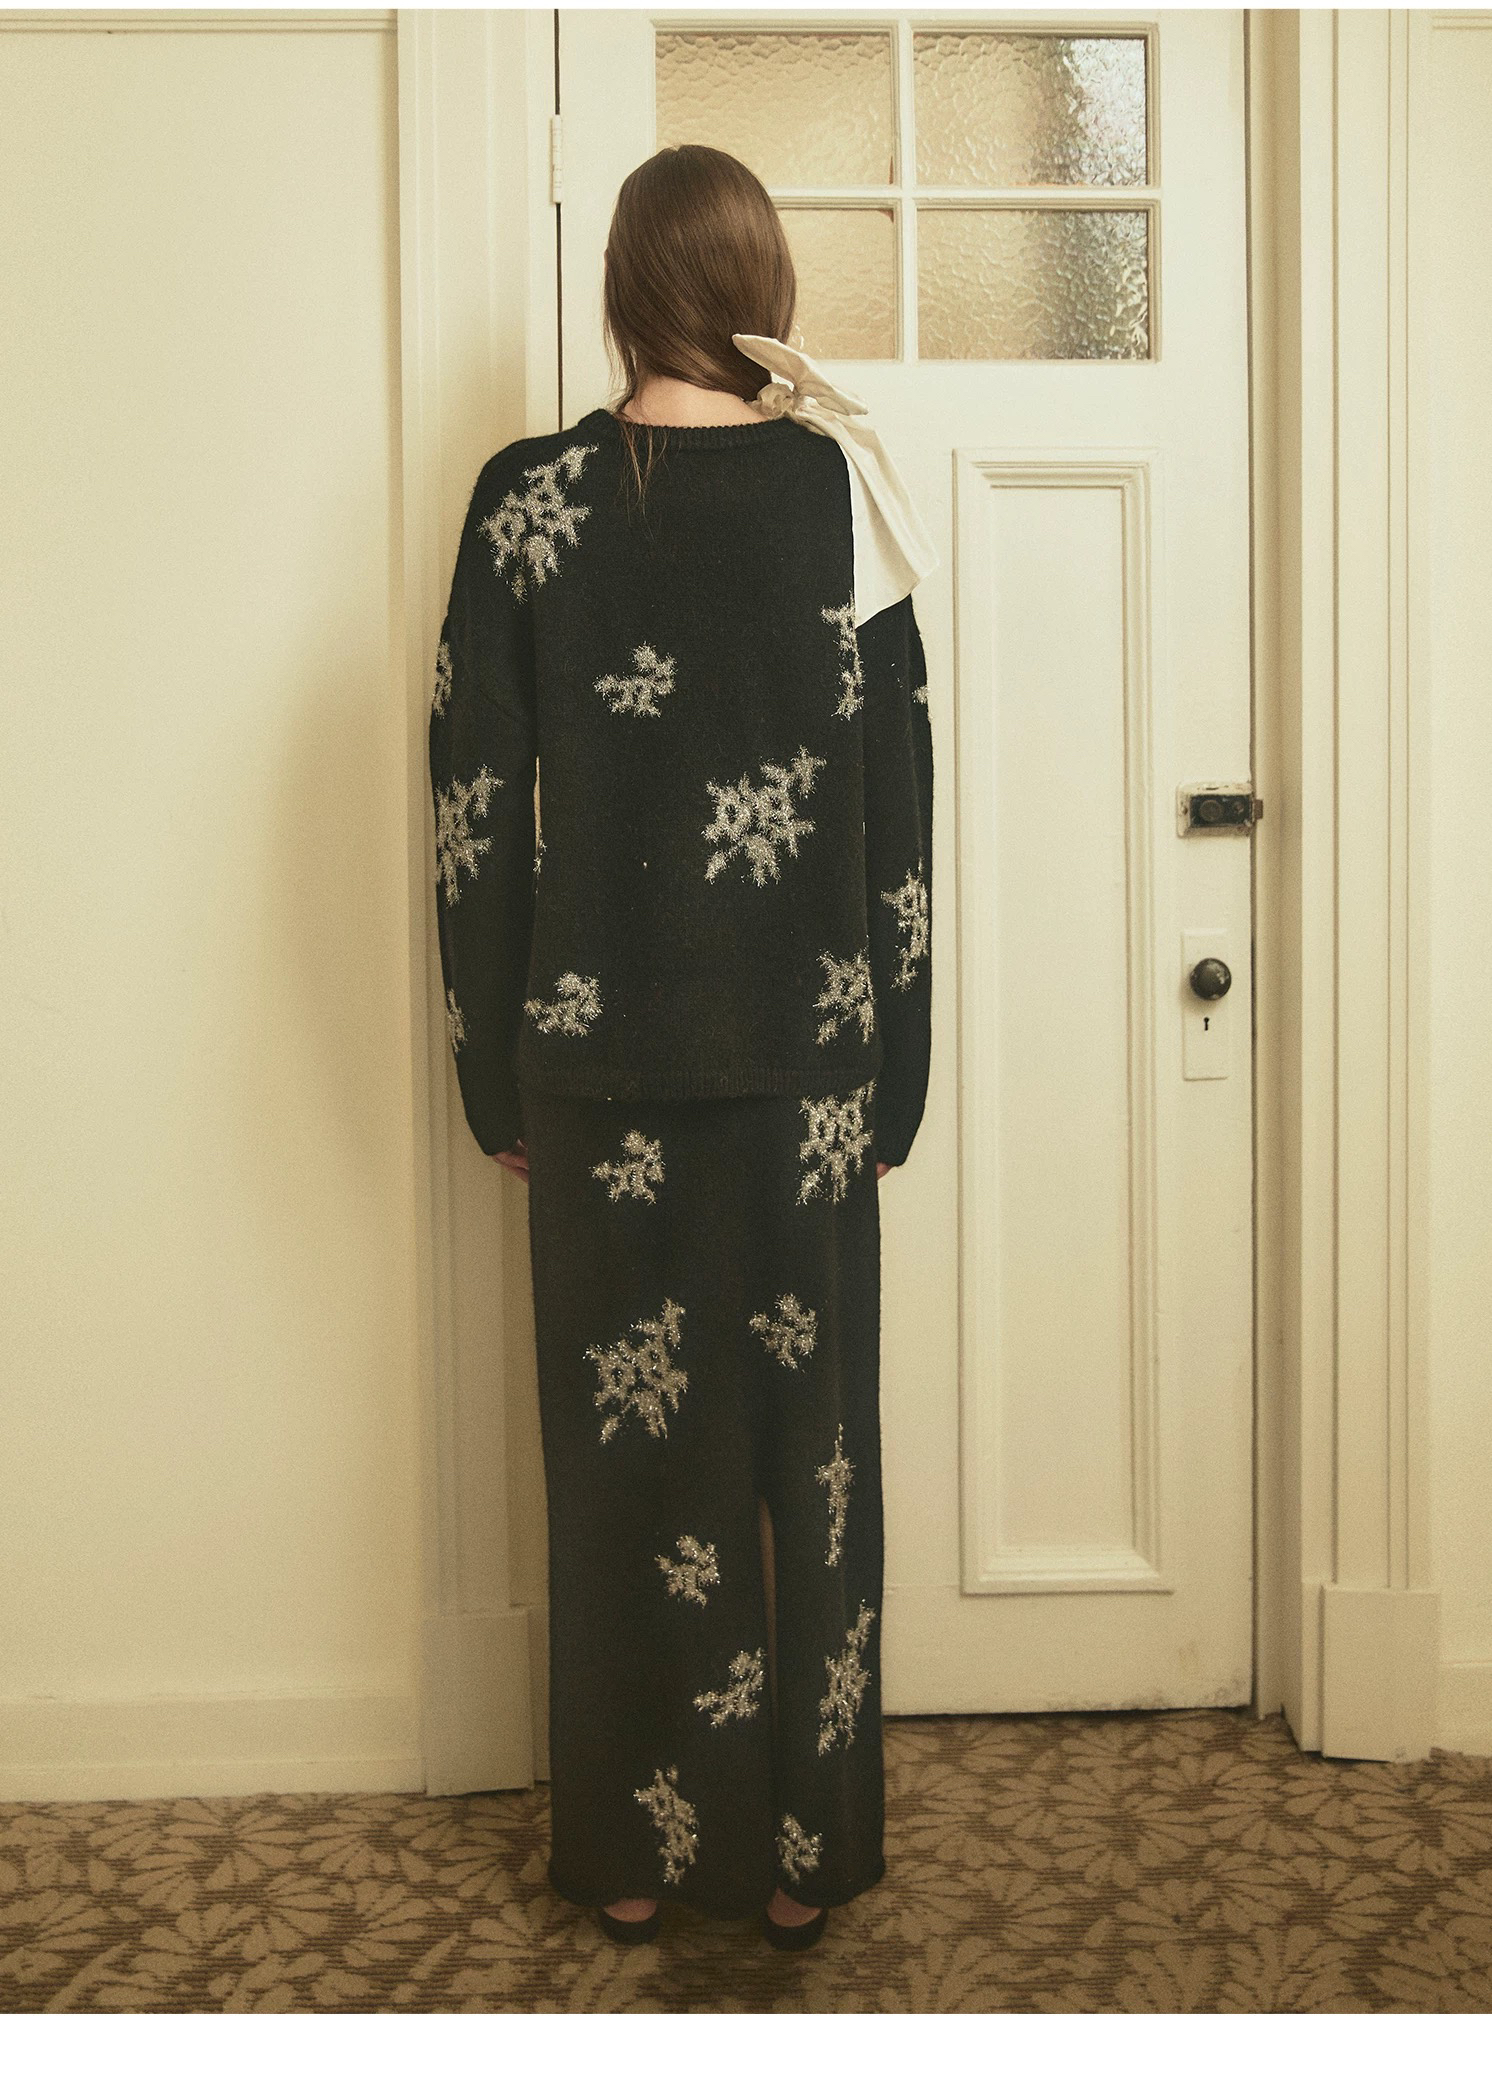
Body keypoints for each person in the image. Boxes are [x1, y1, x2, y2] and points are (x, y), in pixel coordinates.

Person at [428, 143, 934, 1952]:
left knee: (624, 1471)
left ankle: (631, 1856)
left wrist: (489, 1072)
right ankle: (804, 1858)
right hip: (810, 1076)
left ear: (623, 289)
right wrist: (899, 1070)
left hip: (598, 1072)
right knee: (811, 1465)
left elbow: (473, 813)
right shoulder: (839, 491)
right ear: (759, 286)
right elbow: (897, 804)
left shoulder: (525, 502)